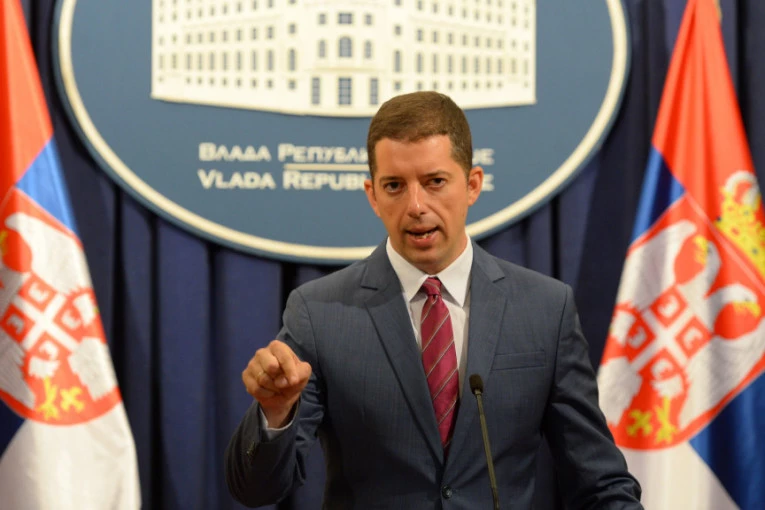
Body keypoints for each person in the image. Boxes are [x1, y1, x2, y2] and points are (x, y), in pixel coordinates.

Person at [225, 91, 642, 509]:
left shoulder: (544, 310)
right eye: (394, 186)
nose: (416, 206)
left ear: (473, 184)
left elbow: (600, 484)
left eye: (435, 182)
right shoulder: (320, 314)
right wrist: (275, 414)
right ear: (372, 195)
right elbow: (257, 490)